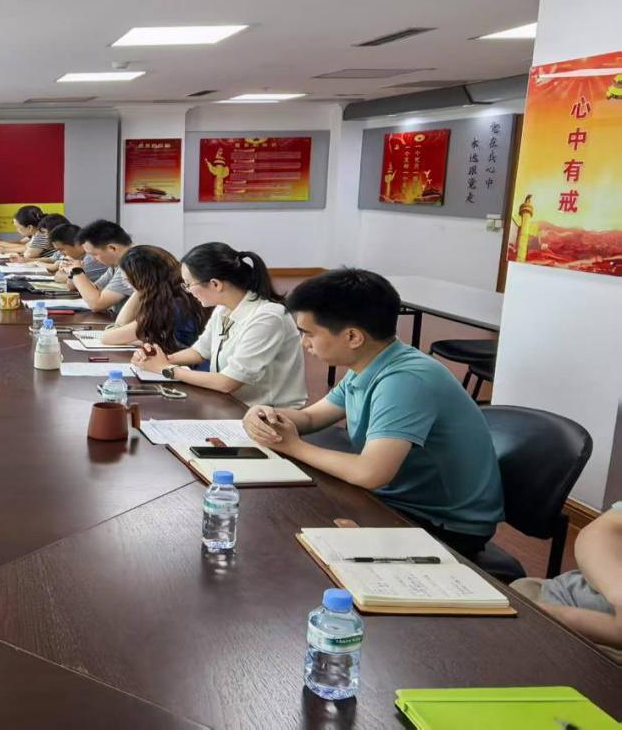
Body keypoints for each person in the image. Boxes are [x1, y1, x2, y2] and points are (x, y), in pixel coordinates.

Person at [242, 268, 504, 559]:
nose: (304, 342)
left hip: (442, 523)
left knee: (288, 536)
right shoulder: (369, 364)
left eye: (309, 333)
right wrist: (265, 414)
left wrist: (294, 446)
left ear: (353, 336)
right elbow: (313, 418)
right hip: (397, 498)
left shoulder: (404, 381)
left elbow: (370, 473)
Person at [132, 242, 306, 407]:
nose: (188, 291)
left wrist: (166, 369)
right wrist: (160, 359)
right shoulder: (223, 308)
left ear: (215, 284)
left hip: (270, 415)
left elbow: (227, 382)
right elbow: (200, 351)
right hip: (232, 405)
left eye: (189, 284)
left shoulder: (267, 317)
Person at [512, 503, 622, 660]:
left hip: (597, 646)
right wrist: (616, 591)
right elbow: (600, 531)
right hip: (557, 596)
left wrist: (551, 615)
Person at [100, 246, 207, 351]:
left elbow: (109, 337)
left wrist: (141, 289)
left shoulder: (168, 305)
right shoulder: (178, 293)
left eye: (127, 280)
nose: (127, 285)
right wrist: (141, 289)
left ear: (142, 279)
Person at [69, 220, 135, 313]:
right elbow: (96, 289)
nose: (93, 259)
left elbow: (97, 304)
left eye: (95, 254)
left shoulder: (134, 263)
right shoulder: (117, 263)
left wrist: (77, 271)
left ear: (112, 248)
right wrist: (74, 272)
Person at [44, 223, 110, 284]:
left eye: (62, 249)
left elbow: (75, 282)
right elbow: (59, 274)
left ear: (77, 243)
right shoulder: (78, 258)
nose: (61, 254)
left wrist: (68, 276)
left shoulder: (92, 257)